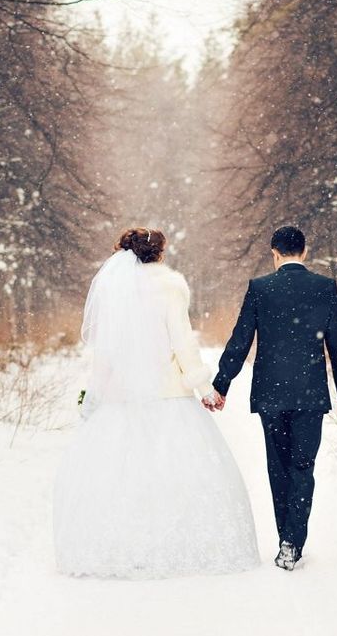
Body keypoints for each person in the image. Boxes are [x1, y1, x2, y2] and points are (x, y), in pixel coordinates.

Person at [52, 228, 259, 579]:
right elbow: (182, 342)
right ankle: (173, 545)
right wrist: (203, 385)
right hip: (168, 396)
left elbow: (105, 354)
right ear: (159, 254)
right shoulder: (169, 288)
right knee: (174, 473)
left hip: (120, 398)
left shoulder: (114, 292)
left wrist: (94, 397)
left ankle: (122, 546)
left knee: (122, 475)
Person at [205, 225, 337, 571]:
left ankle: (286, 539)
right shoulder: (325, 288)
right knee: (303, 467)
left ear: (275, 254)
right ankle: (292, 542)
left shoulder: (260, 289)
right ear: (304, 252)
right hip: (310, 394)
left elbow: (240, 341)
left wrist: (221, 384)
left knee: (279, 467)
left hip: (271, 393)